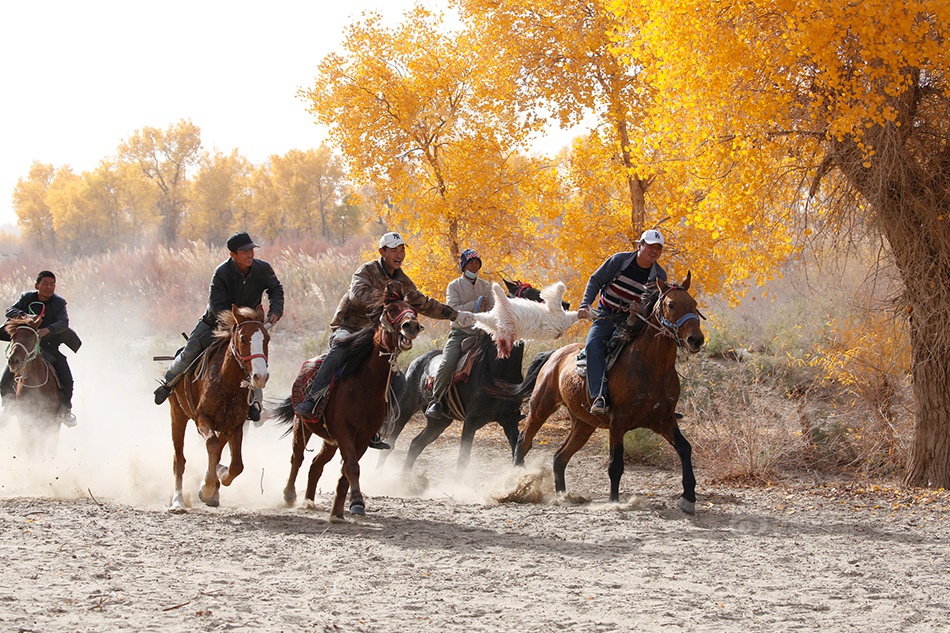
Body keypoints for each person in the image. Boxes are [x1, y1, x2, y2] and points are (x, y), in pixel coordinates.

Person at [294, 231, 476, 448]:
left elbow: (423, 302)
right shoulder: (366, 271)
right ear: (382, 252)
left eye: (402, 250)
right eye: (394, 250)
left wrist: (455, 315)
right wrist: (387, 299)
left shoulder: (402, 280)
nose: (399, 254)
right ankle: (312, 400)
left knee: (399, 381)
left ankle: (376, 428)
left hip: (375, 336)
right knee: (338, 352)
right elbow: (357, 295)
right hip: (349, 328)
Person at [153, 232, 283, 422]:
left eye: (251, 250)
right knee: (190, 351)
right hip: (214, 322)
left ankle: (254, 403)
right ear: (233, 254)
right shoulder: (221, 273)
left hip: (248, 325)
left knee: (255, 358)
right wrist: (233, 323)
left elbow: (276, 289)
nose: (250, 254)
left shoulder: (263, 269)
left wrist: (276, 310)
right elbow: (217, 306)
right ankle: (168, 383)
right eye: (244, 251)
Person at [577, 229, 668, 415]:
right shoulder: (619, 261)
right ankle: (599, 396)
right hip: (606, 315)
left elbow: (652, 307)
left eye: (658, 248)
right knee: (594, 346)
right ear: (639, 245)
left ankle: (659, 402)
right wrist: (585, 304)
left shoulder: (659, 276)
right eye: (650, 246)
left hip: (633, 322)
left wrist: (640, 310)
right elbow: (595, 280)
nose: (654, 251)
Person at [1, 271, 81, 427]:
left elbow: (63, 323)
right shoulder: (26, 298)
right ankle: (9, 406)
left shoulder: (59, 303)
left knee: (67, 378)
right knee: (6, 378)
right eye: (45, 283)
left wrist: (47, 330)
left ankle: (65, 410)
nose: (49, 287)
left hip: (49, 347)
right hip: (26, 347)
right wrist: (25, 316)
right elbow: (9, 311)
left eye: (52, 284)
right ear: (37, 285)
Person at [425, 248, 494, 419]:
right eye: (470, 263)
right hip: (460, 334)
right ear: (464, 266)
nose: (474, 265)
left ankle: (508, 403)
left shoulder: (486, 286)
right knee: (448, 362)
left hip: (483, 333)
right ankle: (436, 400)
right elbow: (453, 310)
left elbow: (493, 308)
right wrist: (474, 304)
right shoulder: (454, 286)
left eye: (477, 262)